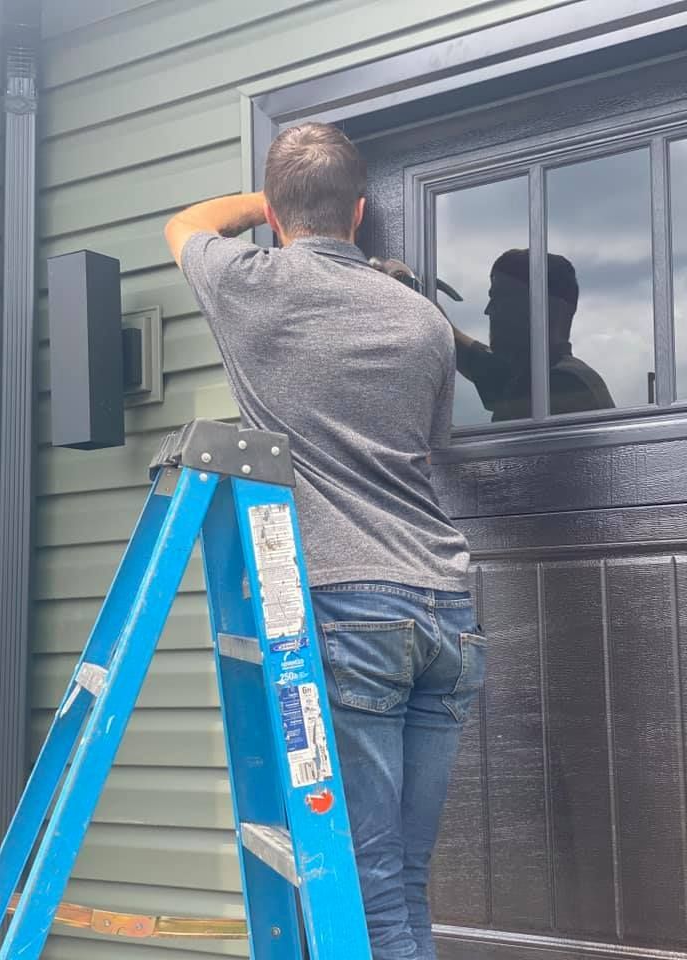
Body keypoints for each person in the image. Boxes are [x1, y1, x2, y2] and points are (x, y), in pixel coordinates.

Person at [164, 122, 485, 960]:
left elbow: (183, 225)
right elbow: (427, 445)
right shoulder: (422, 321)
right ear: (363, 210)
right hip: (446, 609)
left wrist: (263, 207)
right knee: (405, 877)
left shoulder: (252, 285)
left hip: (351, 607)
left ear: (274, 213)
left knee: (366, 879)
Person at [451, 248, 614, 421]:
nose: (489, 310)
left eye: (502, 298)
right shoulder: (539, 376)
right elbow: (476, 360)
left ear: (545, 308)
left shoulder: (560, 386)